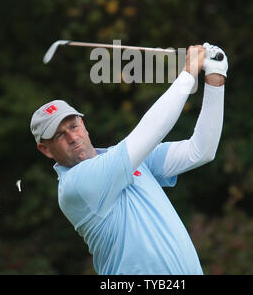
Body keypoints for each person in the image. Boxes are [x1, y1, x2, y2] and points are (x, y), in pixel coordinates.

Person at [30, 42, 228, 275]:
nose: (72, 137)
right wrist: (188, 73)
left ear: (83, 125)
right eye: (60, 135)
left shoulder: (133, 160)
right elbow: (151, 130)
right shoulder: (75, 185)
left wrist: (216, 76)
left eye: (73, 126)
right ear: (46, 149)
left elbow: (201, 151)